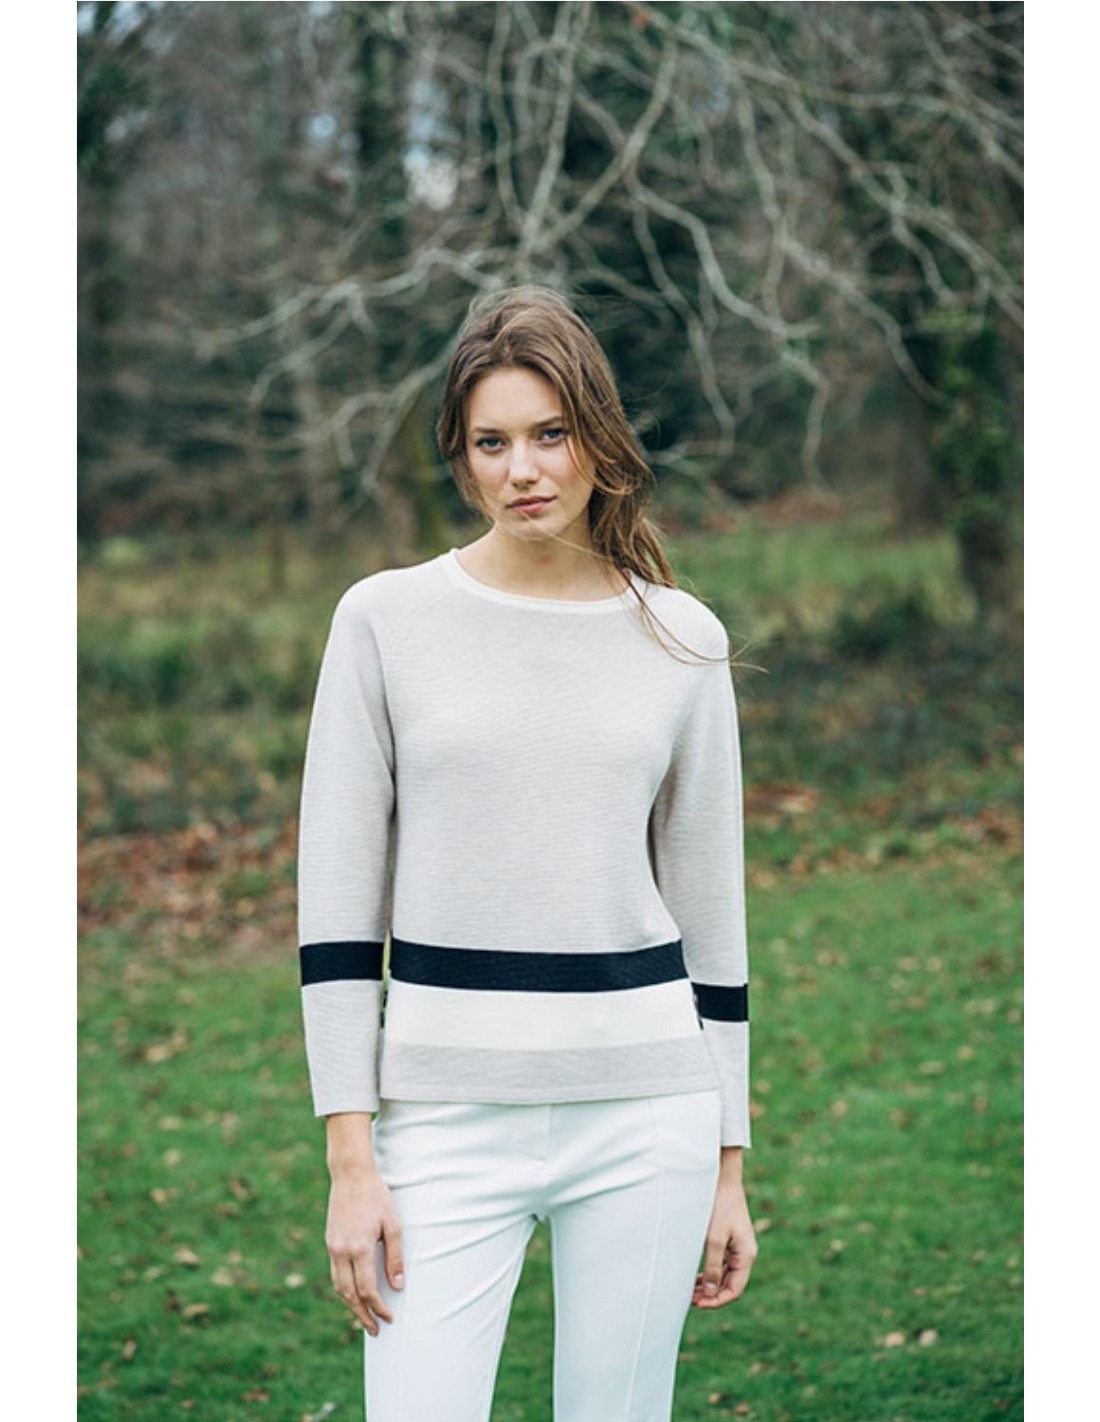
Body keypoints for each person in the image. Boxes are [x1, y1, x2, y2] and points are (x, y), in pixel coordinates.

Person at [297, 284, 756, 1422]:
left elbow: (711, 916)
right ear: (459, 458)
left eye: (549, 434)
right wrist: (351, 1161)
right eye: (490, 443)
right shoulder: (382, 621)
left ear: (597, 435)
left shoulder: (681, 636)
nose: (523, 470)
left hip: (647, 1109)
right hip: (440, 1118)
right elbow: (337, 912)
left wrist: (728, 1163)